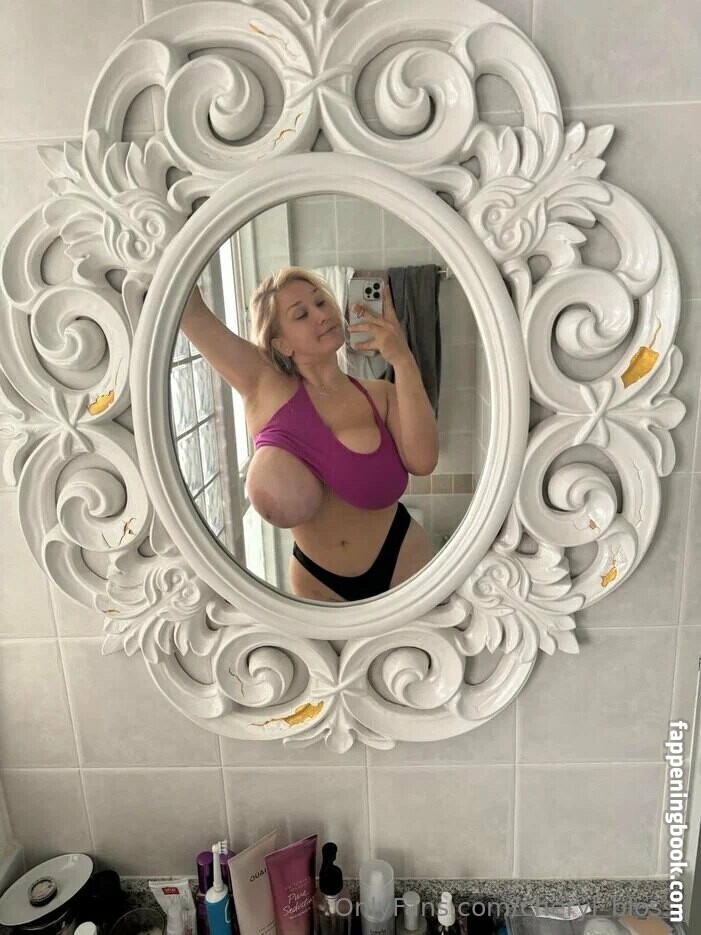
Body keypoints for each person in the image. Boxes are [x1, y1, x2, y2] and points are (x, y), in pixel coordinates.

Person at [180, 266, 438, 602]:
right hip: (318, 580)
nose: (321, 315)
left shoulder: (382, 395)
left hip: (402, 554)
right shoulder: (264, 387)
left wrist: (402, 359)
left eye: (321, 302)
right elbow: (190, 314)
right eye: (301, 314)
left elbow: (423, 462)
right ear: (282, 344)